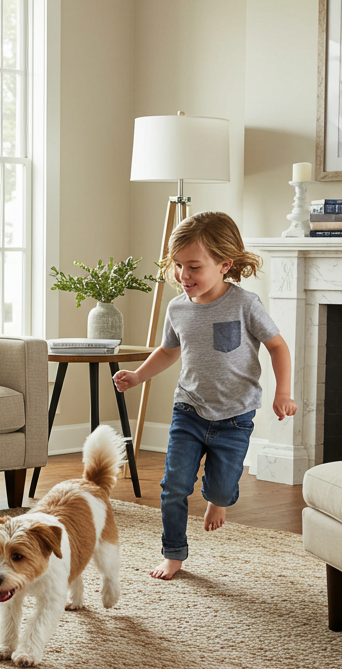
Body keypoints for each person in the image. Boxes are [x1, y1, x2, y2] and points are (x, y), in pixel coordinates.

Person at [112, 211, 297, 581]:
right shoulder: (177, 307)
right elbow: (168, 350)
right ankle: (173, 553)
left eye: (194, 267)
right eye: (178, 266)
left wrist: (284, 393)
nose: (184, 276)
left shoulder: (245, 304)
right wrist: (137, 376)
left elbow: (278, 346)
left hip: (235, 416)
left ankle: (219, 500)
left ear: (224, 264)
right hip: (189, 409)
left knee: (223, 487)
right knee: (173, 486)